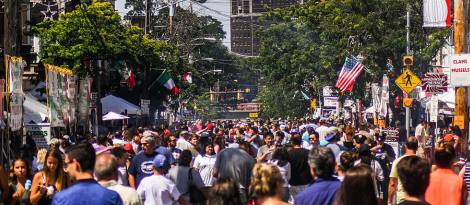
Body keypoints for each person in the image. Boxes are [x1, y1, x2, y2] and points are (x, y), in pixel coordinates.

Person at [52, 142, 123, 205]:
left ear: (75, 164)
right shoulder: (112, 197)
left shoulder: (61, 198)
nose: (67, 169)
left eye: (67, 164)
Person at [388, 136, 418, 205]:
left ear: (405, 146)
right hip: (418, 198)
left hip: (402, 198)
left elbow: (392, 184)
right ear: (417, 147)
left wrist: (389, 201)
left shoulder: (398, 162)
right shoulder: (422, 162)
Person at [287, 134, 313, 203]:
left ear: (292, 142)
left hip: (292, 183)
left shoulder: (288, 154)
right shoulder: (308, 152)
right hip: (306, 183)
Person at [371, 133, 395, 205]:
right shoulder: (373, 146)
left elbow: (393, 159)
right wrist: (373, 152)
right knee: (375, 191)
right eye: (378, 141)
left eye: (381, 141)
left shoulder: (388, 148)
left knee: (385, 191)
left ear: (384, 140)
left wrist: (387, 157)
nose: (379, 142)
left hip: (385, 171)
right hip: (375, 171)